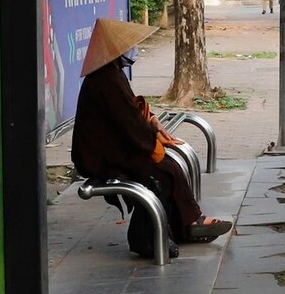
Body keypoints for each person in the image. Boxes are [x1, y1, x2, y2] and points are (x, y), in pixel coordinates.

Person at [71, 18, 232, 256]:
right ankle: (147, 240)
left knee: (169, 167)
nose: (134, 51)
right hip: (101, 157)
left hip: (114, 148)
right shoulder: (106, 80)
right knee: (161, 174)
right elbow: (129, 123)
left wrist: (152, 124)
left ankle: (186, 225)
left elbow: (131, 114)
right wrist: (151, 141)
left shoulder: (111, 75)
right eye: (129, 47)